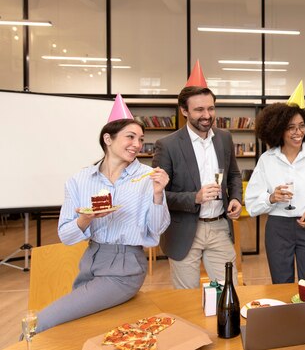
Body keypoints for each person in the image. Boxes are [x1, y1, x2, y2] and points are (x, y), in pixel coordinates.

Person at [35, 95, 170, 333]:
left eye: (140, 139)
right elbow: (66, 236)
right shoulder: (80, 180)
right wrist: (85, 219)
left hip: (125, 268)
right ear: (108, 139)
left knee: (43, 322)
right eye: (130, 137)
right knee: (78, 329)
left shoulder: (148, 178)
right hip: (90, 262)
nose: (137, 145)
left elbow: (156, 230)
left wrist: (158, 195)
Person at [153, 85, 243, 288]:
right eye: (199, 110)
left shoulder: (224, 138)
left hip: (219, 227)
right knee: (187, 300)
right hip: (183, 231)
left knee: (229, 291)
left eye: (211, 109)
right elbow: (159, 194)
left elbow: (234, 175)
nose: (207, 115)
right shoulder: (167, 145)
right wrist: (195, 197)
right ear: (184, 111)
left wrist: (236, 198)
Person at [245, 82, 305, 284]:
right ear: (278, 130)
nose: (298, 132)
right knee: (281, 284)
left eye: (302, 126)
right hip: (278, 228)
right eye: (291, 127)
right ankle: (284, 316)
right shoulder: (267, 159)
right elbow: (251, 201)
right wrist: (271, 197)